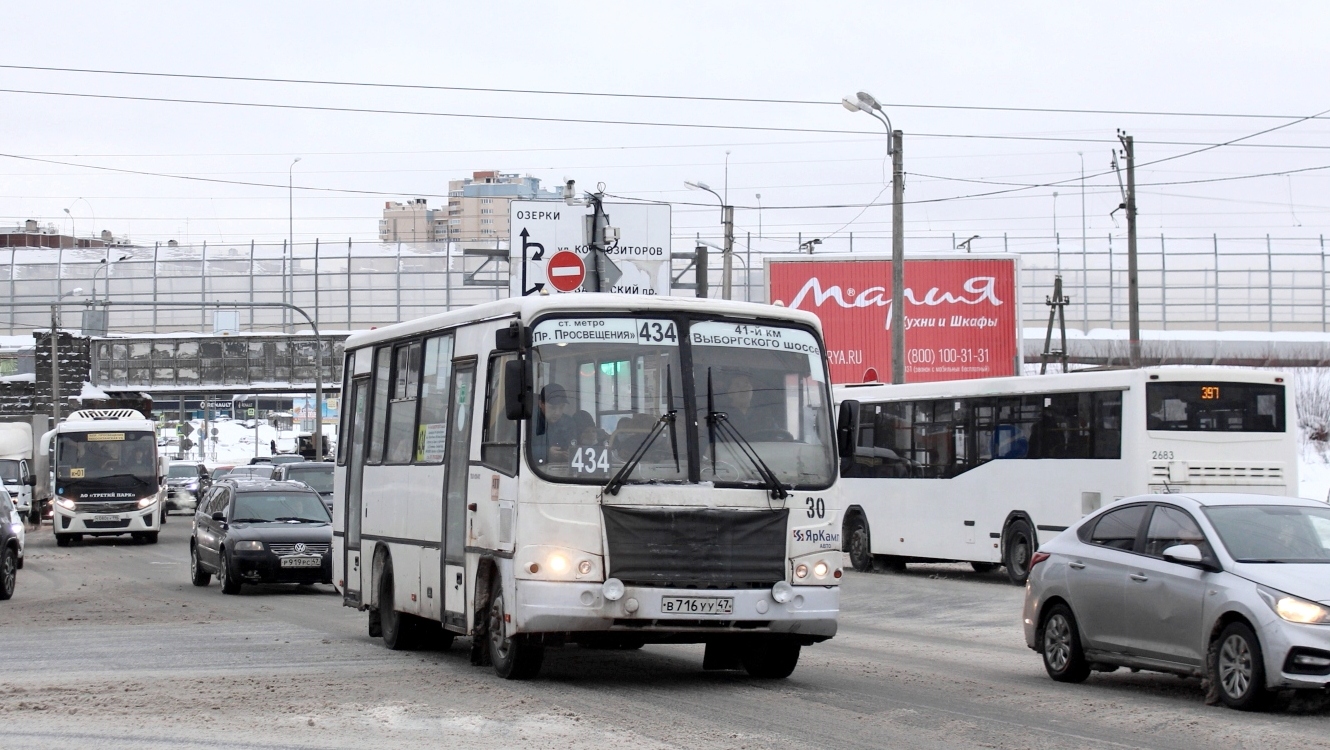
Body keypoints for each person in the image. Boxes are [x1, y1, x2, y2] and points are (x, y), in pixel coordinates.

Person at [722, 373, 780, 438]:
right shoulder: (722, 417)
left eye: (746, 385)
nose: (743, 390)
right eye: (738, 386)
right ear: (729, 393)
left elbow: (777, 434)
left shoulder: (764, 413)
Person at [533, 383, 578, 464]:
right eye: (552, 407)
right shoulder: (528, 422)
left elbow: (574, 444)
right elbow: (519, 449)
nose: (557, 412)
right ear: (540, 404)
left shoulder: (569, 422)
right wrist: (546, 452)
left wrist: (571, 452)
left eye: (561, 407)